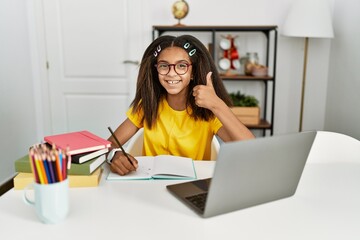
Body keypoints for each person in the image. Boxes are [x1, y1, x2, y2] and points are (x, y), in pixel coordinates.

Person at [107, 34, 255, 176]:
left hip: (194, 186)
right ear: (156, 70)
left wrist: (217, 104)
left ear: (192, 72)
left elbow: (250, 150)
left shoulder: (209, 112)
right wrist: (115, 155)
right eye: (164, 66)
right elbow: (109, 145)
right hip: (151, 186)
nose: (171, 73)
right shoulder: (147, 105)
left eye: (182, 66)